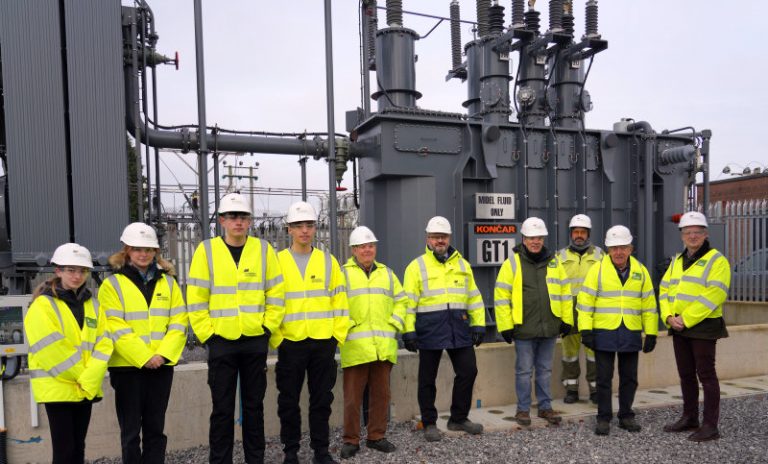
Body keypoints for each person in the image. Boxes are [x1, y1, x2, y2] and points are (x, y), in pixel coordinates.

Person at [187, 193, 285, 464]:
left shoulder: (264, 250)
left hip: (254, 340)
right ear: (222, 221)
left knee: (254, 408)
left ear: (250, 221)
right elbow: (196, 298)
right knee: (222, 410)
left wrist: (267, 328)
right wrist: (208, 335)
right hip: (221, 342)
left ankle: (255, 459)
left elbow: (276, 293)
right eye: (232, 217)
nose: (238, 222)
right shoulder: (206, 251)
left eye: (243, 217)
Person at [99, 222, 188, 463]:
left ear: (155, 252)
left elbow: (179, 322)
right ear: (127, 250)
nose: (143, 254)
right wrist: (144, 356)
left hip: (161, 366)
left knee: (155, 430)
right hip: (127, 369)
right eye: (137, 249)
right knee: (130, 434)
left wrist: (162, 355)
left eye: (148, 249)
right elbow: (114, 326)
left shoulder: (168, 283)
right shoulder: (112, 285)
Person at [274, 201, 349, 464]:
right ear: (289, 229)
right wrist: (278, 338)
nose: (304, 230)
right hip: (290, 342)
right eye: (298, 225)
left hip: (322, 342)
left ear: (315, 228)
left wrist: (336, 337)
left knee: (321, 400)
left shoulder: (328, 261)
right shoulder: (277, 262)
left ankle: (321, 451)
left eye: (309, 225)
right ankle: (290, 452)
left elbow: (340, 301)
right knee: (288, 401)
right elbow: (269, 301)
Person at [25, 243, 113, 464]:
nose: (77, 276)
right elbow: (51, 350)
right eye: (71, 270)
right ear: (58, 271)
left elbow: (104, 343)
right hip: (60, 388)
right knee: (64, 451)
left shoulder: (93, 305)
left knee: (78, 448)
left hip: (84, 388)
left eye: (82, 271)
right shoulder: (42, 305)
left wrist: (88, 378)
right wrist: (85, 378)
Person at [402, 216, 485, 442]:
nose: (440, 240)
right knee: (427, 379)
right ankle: (429, 422)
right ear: (428, 239)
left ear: (449, 238)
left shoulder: (462, 265)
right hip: (429, 330)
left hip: (458, 328)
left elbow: (474, 297)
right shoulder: (416, 267)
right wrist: (408, 332)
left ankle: (458, 418)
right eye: (435, 237)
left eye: (443, 236)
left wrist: (478, 324)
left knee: (468, 371)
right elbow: (408, 303)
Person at [576, 225, 658, 435]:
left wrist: (651, 332)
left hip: (630, 331)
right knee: (603, 378)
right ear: (608, 250)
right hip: (604, 331)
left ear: (631, 248)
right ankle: (603, 418)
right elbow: (585, 302)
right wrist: (586, 330)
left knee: (629, 378)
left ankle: (626, 416)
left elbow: (649, 304)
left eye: (623, 247)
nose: (618, 252)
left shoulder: (640, 271)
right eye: (614, 248)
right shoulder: (597, 270)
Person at [659, 211, 730, 442]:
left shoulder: (717, 260)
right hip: (678, 325)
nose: (692, 236)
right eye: (688, 232)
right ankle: (690, 417)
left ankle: (710, 426)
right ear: (682, 235)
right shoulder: (677, 261)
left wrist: (685, 319)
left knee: (706, 375)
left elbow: (715, 294)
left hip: (703, 327)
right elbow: (664, 290)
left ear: (705, 234)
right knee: (686, 374)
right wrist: (668, 316)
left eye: (697, 232)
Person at [494, 217, 572, 426]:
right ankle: (523, 410)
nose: (535, 241)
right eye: (531, 238)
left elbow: (565, 292)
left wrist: (567, 320)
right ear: (524, 239)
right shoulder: (512, 263)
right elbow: (501, 296)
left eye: (539, 238)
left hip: (549, 327)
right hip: (524, 328)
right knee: (524, 372)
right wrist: (505, 326)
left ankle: (545, 407)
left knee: (545, 370)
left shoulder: (554, 262)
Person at [338, 226, 407, 459]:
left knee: (381, 395)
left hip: (382, 347)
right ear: (354, 250)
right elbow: (335, 304)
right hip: (356, 347)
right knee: (352, 399)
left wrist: (394, 324)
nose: (367, 250)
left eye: (371, 246)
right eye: (362, 246)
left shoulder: (387, 273)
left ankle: (376, 436)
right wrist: (347, 326)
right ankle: (351, 440)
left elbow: (402, 300)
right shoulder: (343, 274)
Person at [558, 214, 602, 404]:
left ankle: (595, 390)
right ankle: (571, 390)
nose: (579, 235)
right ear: (571, 234)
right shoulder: (560, 256)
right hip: (569, 313)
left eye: (583, 232)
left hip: (593, 313)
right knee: (569, 353)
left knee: (594, 353)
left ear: (588, 234)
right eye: (575, 232)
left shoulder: (600, 255)